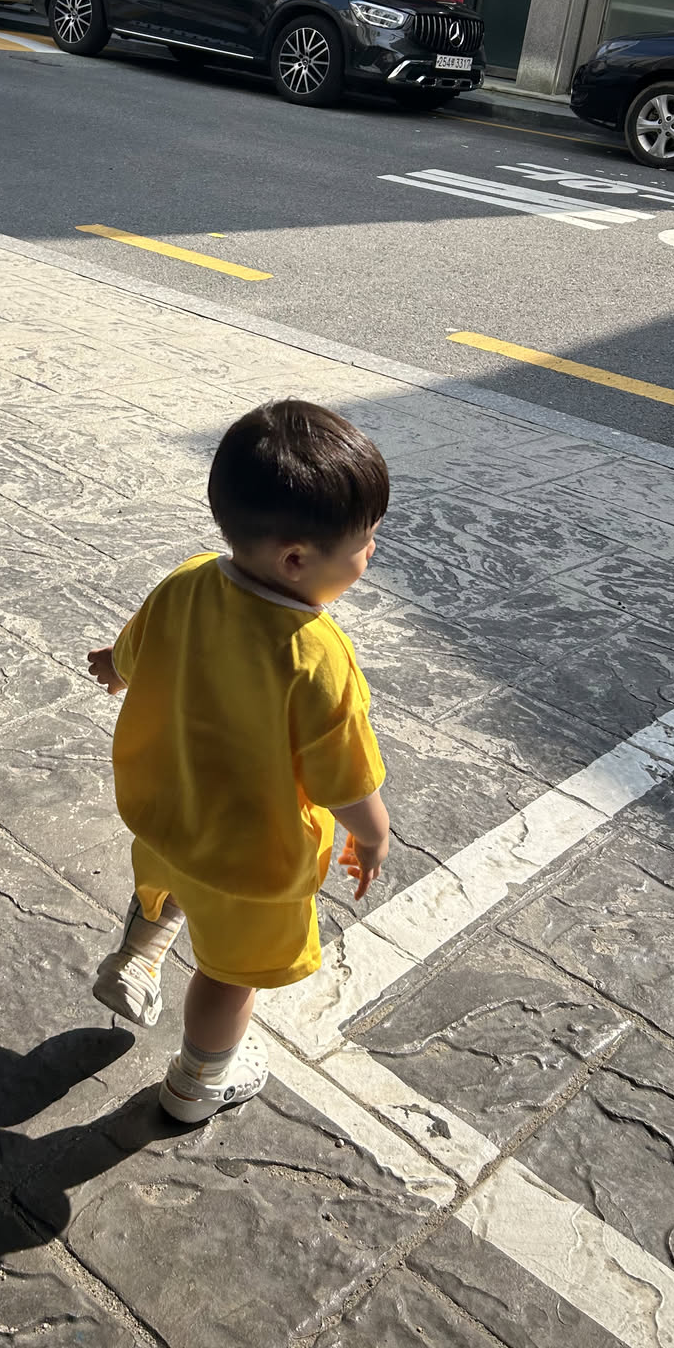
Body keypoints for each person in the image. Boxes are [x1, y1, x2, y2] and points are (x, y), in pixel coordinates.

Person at [85, 399, 392, 1124]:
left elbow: (133, 650)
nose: (372, 552)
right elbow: (344, 778)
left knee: (169, 884)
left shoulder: (189, 580)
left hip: (165, 813)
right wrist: (373, 835)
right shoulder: (317, 656)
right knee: (228, 977)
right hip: (252, 859)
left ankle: (138, 957)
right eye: (365, 541)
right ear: (297, 559)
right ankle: (197, 1085)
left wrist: (115, 669)